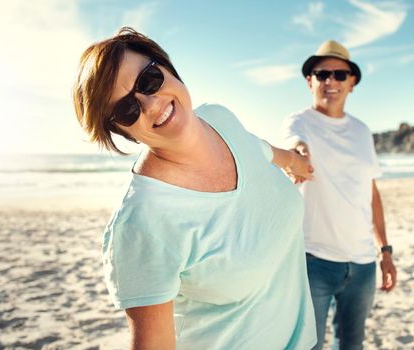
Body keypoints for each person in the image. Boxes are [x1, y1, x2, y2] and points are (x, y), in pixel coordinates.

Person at [72, 27, 317, 350]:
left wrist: (298, 163)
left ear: (166, 67)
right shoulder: (141, 223)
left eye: (149, 81)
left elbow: (263, 151)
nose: (150, 104)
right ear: (121, 131)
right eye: (127, 110)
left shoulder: (218, 119)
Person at [281, 40, 397, 350]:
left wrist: (384, 250)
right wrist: (299, 157)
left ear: (352, 82)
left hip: (362, 265)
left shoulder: (362, 131)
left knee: (352, 345)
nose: (330, 81)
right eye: (322, 74)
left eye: (339, 74)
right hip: (313, 262)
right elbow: (295, 147)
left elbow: (370, 193)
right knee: (308, 345)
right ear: (310, 81)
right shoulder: (299, 122)